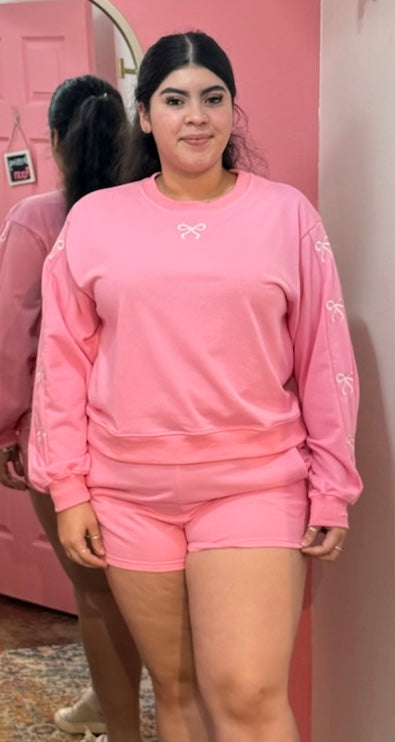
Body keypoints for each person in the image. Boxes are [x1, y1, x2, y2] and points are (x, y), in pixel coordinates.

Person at [28, 33, 363, 742]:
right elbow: (61, 362)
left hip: (254, 484)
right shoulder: (95, 220)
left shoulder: (286, 216)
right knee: (176, 695)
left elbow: (323, 355)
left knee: (247, 696)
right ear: (145, 115)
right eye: (174, 100)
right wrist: (69, 489)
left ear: (232, 110)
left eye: (213, 98)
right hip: (127, 494)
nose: (196, 116)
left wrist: (333, 483)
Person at [0, 75, 143, 742]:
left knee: (95, 592)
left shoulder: (36, 218)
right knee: (145, 583)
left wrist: (5, 425)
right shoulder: (149, 210)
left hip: (61, 436)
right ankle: (103, 699)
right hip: (139, 429)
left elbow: (12, 332)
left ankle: (117, 722)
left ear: (55, 138)